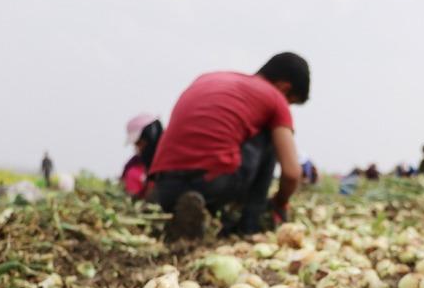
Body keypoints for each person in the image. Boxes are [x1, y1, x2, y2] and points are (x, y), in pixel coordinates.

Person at [148, 52, 309, 239]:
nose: (287, 107)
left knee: (228, 142)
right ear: (284, 87)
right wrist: (280, 203)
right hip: (214, 183)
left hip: (165, 187)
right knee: (272, 135)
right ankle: (250, 225)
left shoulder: (208, 78)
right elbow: (292, 173)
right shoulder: (275, 98)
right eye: (291, 102)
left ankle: (196, 213)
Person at [122, 114, 163, 199]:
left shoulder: (166, 159)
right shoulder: (134, 168)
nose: (138, 148)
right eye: (136, 144)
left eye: (139, 143)